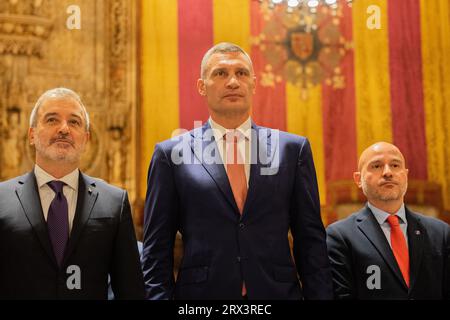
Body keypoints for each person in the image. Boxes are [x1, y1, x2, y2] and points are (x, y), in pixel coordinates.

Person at [142, 42, 333, 300]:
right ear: (202, 86)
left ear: (254, 83)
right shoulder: (171, 154)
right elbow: (156, 250)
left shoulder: (292, 149)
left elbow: (310, 241)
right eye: (220, 73)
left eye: (241, 73)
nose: (233, 82)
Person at [0, 87, 145, 299]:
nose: (64, 129)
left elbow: (130, 291)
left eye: (74, 122)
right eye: (51, 120)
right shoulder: (2, 199)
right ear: (31, 134)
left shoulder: (114, 203)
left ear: (85, 139)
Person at [326, 142, 450, 299]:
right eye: (376, 166)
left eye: (395, 165)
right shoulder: (339, 236)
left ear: (405, 174)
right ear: (358, 179)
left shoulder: (441, 233)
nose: (387, 172)